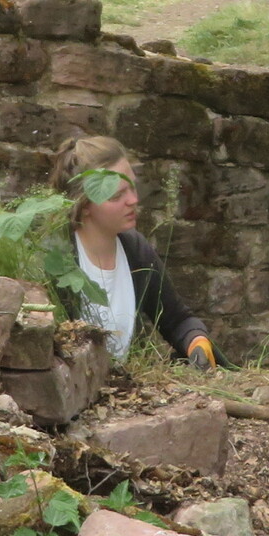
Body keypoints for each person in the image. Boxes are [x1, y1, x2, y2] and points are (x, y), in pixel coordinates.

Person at [50, 136, 217, 369]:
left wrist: (197, 342)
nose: (133, 200)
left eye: (132, 187)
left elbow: (178, 320)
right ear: (84, 205)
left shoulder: (135, 250)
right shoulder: (54, 258)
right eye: (117, 196)